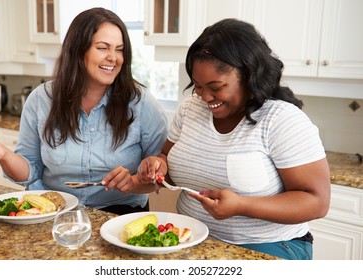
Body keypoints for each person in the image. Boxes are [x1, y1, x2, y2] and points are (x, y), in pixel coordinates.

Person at [136, 18, 331, 259]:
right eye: (197, 85)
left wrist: (241, 206)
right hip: (191, 239)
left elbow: (317, 202)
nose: (205, 97)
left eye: (216, 87)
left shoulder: (281, 119)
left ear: (249, 74)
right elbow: (167, 158)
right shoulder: (190, 108)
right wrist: (158, 165)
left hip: (269, 246)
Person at [0, 8, 168, 215]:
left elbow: (159, 176)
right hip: (53, 212)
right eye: (103, 48)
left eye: (119, 49)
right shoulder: (41, 99)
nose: (114, 57)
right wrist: (3, 154)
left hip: (119, 216)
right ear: (77, 49)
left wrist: (135, 181)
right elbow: (31, 171)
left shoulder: (141, 103)